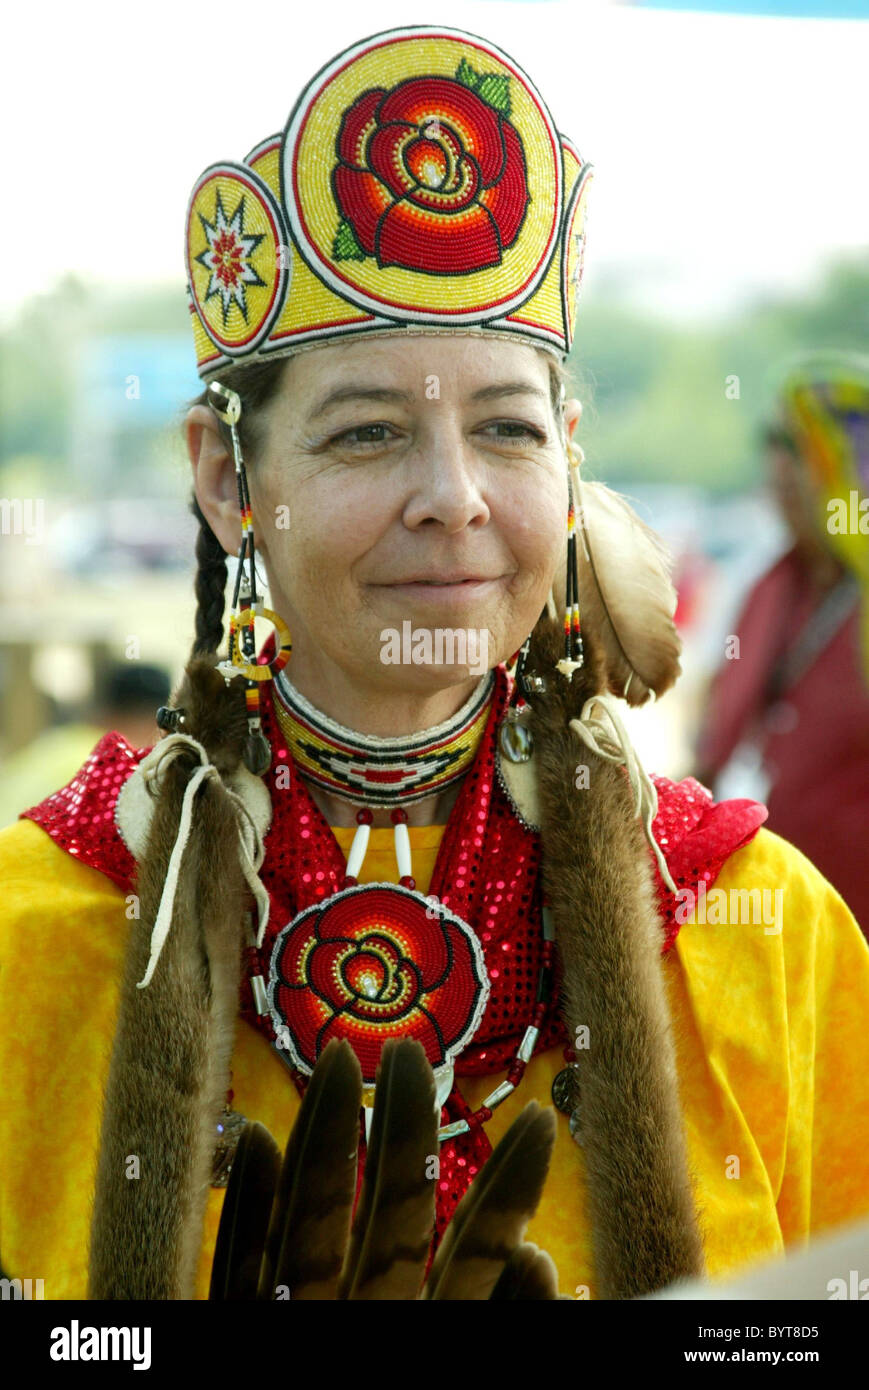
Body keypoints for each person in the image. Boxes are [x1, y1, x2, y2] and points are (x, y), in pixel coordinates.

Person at [1, 25, 868, 1303]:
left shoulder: (763, 936)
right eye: (366, 433)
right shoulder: (43, 932)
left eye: (506, 430)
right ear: (226, 477)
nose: (452, 498)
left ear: (567, 458)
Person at [695, 354, 869, 938]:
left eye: (800, 446)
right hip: (782, 926)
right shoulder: (766, 586)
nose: (779, 468)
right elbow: (713, 744)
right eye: (773, 442)